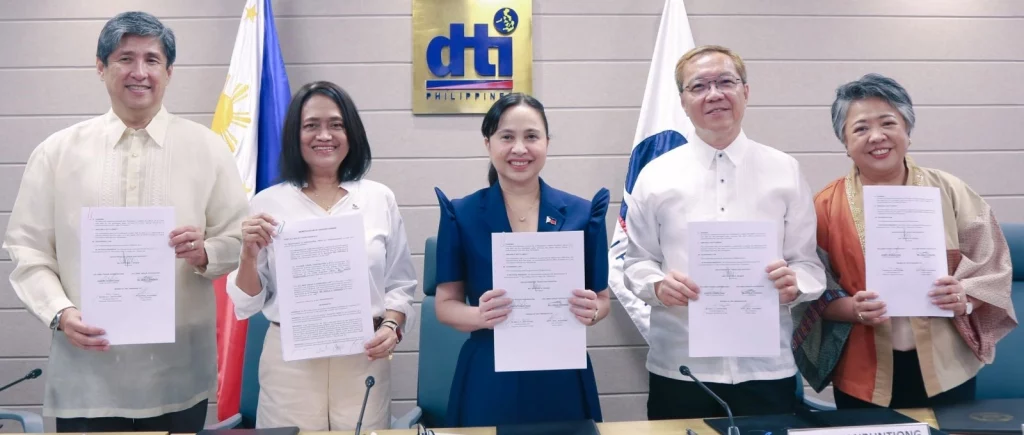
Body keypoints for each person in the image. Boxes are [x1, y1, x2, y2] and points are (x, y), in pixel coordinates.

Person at [2, 11, 249, 432]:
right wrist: (59, 312)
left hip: (177, 373)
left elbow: (240, 239)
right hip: (87, 376)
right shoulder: (56, 153)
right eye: (124, 58)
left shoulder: (207, 150)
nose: (139, 72)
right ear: (100, 68)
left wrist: (206, 251)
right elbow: (28, 252)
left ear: (169, 71)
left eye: (152, 60)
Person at [621, 45, 826, 420]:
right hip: (681, 370)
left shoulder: (785, 171)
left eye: (725, 82)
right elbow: (636, 262)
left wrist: (795, 283)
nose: (714, 94)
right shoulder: (655, 176)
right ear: (683, 101)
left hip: (766, 369)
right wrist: (657, 285)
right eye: (699, 86)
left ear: (746, 91)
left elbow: (809, 265)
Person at [793, 73, 1018, 409]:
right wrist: (852, 309)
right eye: (860, 128)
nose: (877, 137)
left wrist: (964, 296)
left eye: (888, 123)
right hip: (863, 373)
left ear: (907, 131)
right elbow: (811, 290)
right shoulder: (825, 205)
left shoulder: (950, 191)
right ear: (844, 141)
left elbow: (993, 265)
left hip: (946, 368)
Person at [226, 81, 417, 430]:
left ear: (352, 133)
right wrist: (248, 257)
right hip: (290, 366)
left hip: (363, 358)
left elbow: (400, 284)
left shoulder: (379, 198)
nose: (324, 135)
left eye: (336, 124)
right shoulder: (267, 203)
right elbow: (247, 304)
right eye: (311, 125)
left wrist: (392, 325)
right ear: (294, 135)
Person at [433, 93, 609, 427]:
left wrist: (593, 310)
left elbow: (602, 300)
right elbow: (445, 305)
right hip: (489, 370)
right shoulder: (462, 213)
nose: (519, 149)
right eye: (507, 137)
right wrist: (480, 315)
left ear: (547, 143)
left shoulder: (582, 213)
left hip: (561, 371)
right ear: (488, 144)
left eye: (531, 136)